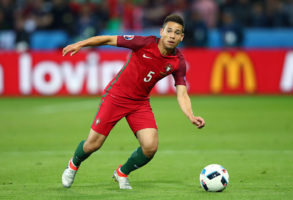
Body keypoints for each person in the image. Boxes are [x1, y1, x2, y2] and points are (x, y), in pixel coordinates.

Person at [61, 14, 205, 190]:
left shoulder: (178, 62)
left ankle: (122, 173)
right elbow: (107, 39)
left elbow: (182, 93)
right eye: (169, 31)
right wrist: (80, 44)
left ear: (181, 37)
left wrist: (190, 115)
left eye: (177, 33)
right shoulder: (144, 43)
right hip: (116, 97)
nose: (172, 35)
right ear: (161, 32)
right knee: (93, 144)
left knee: (150, 147)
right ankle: (73, 165)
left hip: (140, 103)